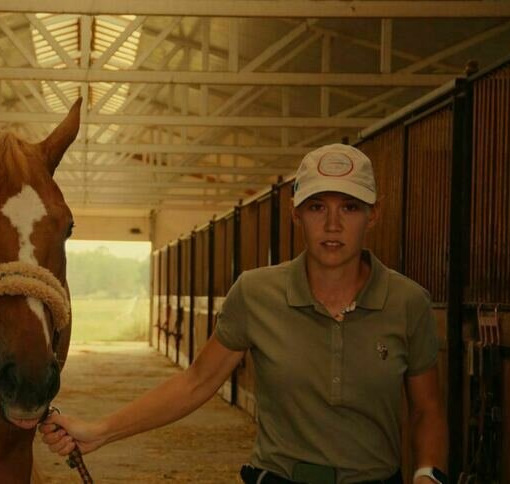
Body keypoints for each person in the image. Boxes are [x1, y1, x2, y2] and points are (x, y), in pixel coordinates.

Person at [40, 144, 448, 484]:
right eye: (318, 207)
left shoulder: (407, 302)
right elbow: (196, 382)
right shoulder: (256, 294)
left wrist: (428, 474)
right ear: (296, 214)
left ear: (373, 215)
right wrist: (101, 431)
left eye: (351, 207)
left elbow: (427, 408)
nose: (333, 224)